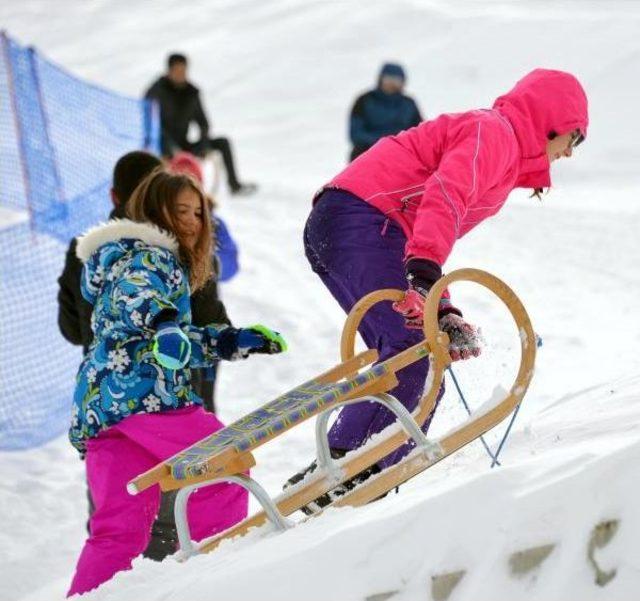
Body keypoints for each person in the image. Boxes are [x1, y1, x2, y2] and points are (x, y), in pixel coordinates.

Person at [294, 68, 588, 510]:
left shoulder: (502, 151)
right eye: (575, 138)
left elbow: (426, 229)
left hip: (363, 224)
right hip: (363, 219)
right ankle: (344, 468)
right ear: (553, 121)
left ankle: (361, 474)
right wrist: (427, 275)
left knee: (423, 351)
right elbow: (444, 196)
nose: (569, 152)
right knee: (414, 349)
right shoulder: (496, 134)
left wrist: (441, 307)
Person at [67, 169, 286, 596]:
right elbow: (137, 296)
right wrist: (165, 320)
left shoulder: (119, 256)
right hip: (143, 399)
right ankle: (215, 580)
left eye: (199, 212)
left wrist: (228, 340)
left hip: (103, 407)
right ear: (154, 210)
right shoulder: (146, 255)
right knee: (223, 465)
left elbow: (163, 342)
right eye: (180, 210)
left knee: (117, 531)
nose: (191, 221)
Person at [168, 151, 240, 414]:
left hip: (207, 329)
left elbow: (231, 265)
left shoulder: (213, 223)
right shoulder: (163, 232)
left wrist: (209, 263)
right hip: (178, 336)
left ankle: (211, 450)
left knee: (205, 404)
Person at [145, 53, 257, 196]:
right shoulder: (155, 92)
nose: (181, 74)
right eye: (177, 70)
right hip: (160, 148)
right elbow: (150, 124)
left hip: (184, 146)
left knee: (223, 142)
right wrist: (169, 149)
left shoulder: (192, 93)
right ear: (169, 71)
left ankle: (234, 186)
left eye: (183, 70)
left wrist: (204, 144)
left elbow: (203, 123)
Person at [349, 62, 422, 161]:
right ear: (380, 79)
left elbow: (420, 132)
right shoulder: (364, 100)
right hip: (368, 152)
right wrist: (382, 143)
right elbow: (356, 133)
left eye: (396, 80)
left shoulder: (409, 103)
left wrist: (400, 144)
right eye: (388, 79)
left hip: (400, 154)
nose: (391, 84)